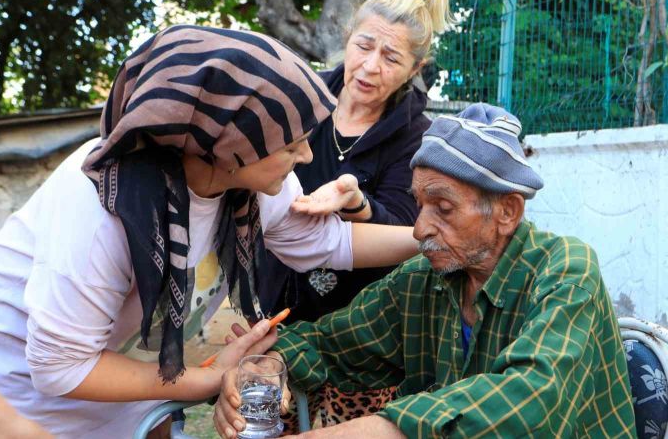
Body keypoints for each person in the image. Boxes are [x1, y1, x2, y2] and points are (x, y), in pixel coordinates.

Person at [0, 25, 417, 438]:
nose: (305, 155)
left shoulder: (255, 189)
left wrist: (430, 237)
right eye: (289, 144)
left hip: (117, 396)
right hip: (14, 406)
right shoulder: (106, 204)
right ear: (229, 146)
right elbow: (60, 368)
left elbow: (332, 242)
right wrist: (199, 379)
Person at [215, 104, 637, 438]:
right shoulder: (425, 279)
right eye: (419, 204)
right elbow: (328, 343)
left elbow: (533, 403)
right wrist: (265, 362)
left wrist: (378, 429)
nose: (419, 228)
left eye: (444, 208)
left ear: (507, 211)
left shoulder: (566, 270)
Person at [264, 0, 454, 324]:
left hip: (360, 319)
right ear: (348, 38)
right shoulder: (301, 97)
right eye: (364, 46)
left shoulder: (417, 137)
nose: (370, 67)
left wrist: (357, 204)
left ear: (415, 69)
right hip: (272, 292)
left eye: (391, 58)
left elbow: (405, 229)